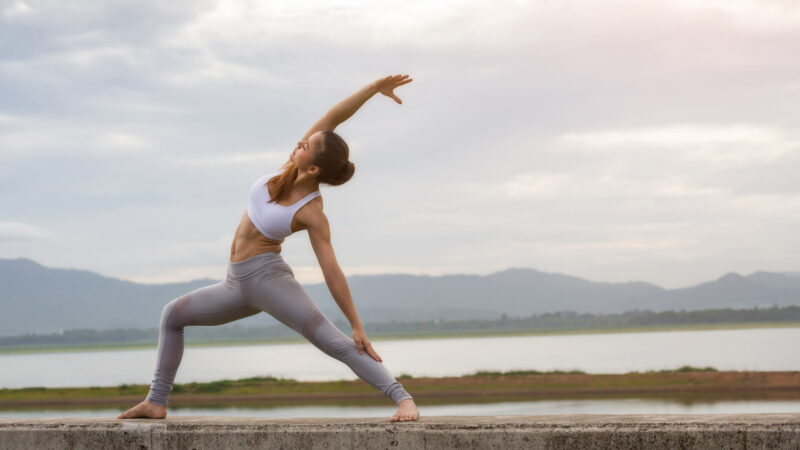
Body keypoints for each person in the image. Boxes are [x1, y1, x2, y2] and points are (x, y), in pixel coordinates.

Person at [117, 74, 419, 422]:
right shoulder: (288, 170)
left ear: (315, 167)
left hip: (269, 281)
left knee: (333, 342)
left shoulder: (311, 212)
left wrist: (357, 325)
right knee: (172, 315)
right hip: (235, 284)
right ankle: (156, 402)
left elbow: (331, 270)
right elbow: (334, 116)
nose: (300, 143)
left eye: (306, 146)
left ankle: (403, 399)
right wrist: (372, 89)